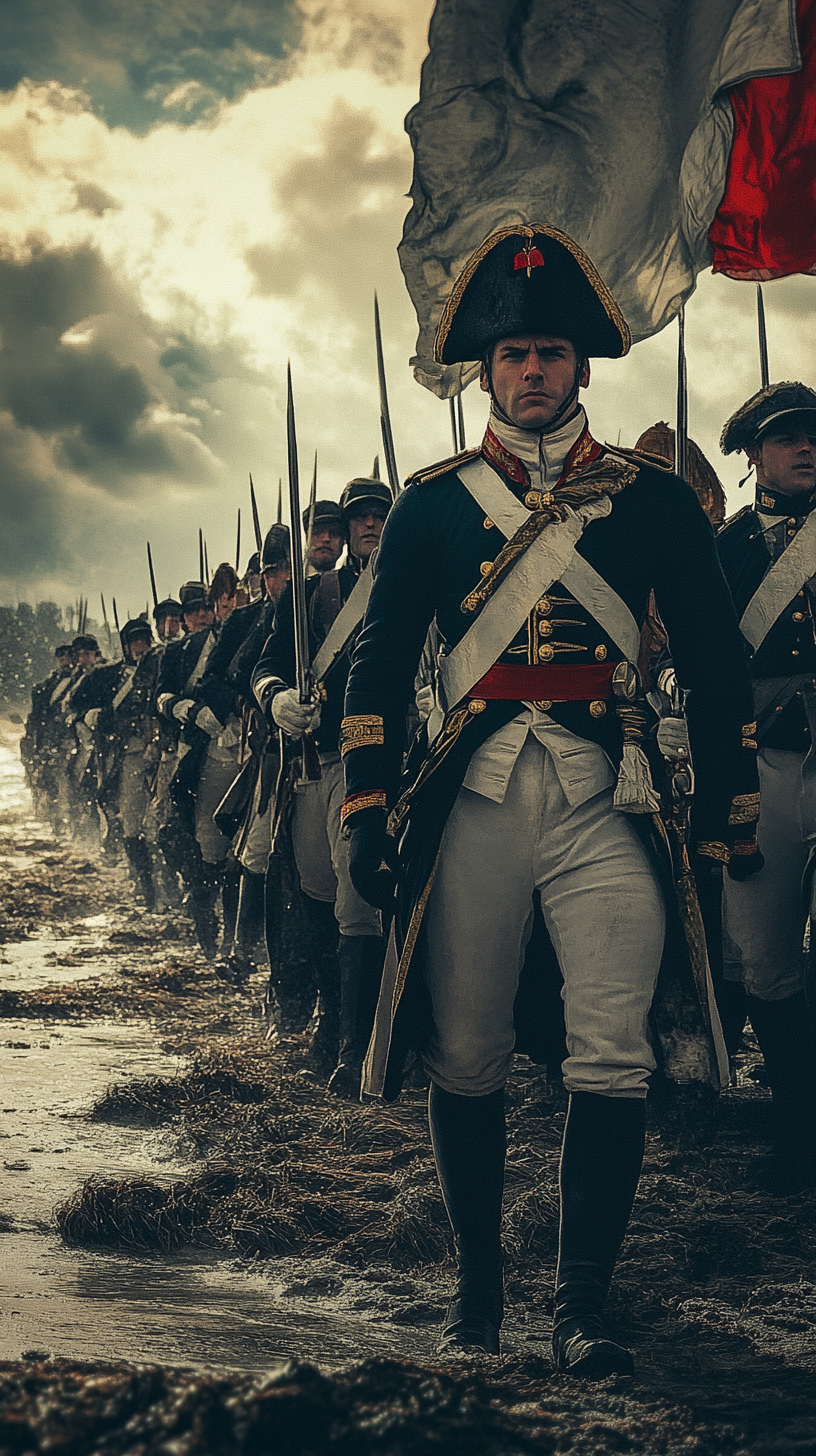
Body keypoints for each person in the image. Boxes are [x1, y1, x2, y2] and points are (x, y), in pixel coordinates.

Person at [340, 225, 762, 1373]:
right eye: (517, 354)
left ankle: (583, 1305)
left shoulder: (655, 501)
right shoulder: (433, 508)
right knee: (466, 1049)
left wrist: (728, 802)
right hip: (472, 791)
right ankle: (479, 1290)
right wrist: (368, 803)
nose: (537, 372)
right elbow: (379, 666)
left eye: (556, 355)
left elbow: (719, 663)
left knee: (609, 1047)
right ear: (486, 370)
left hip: (607, 790)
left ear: (582, 369)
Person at [252, 480, 391, 1095]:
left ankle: (358, 1048)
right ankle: (332, 1018)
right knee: (315, 887)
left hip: (387, 763)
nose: (367, 527)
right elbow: (265, 664)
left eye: (378, 517)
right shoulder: (308, 598)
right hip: (319, 758)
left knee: (360, 900)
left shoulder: (411, 581)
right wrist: (278, 697)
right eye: (357, 518)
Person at [712, 383, 816, 1192]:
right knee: (765, 956)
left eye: (813, 436)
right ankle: (795, 1129)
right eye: (786, 439)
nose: (806, 448)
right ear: (754, 456)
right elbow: (686, 643)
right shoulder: (725, 548)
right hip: (764, 762)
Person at [72, 616, 160, 905]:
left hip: (163, 751)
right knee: (132, 820)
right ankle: (145, 883)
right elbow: (79, 704)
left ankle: (167, 882)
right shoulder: (108, 675)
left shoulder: (163, 666)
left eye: (145, 640)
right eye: (135, 641)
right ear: (125, 645)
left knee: (163, 821)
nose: (141, 646)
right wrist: (93, 715)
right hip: (130, 753)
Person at [22, 644, 75, 825]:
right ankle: (55, 819)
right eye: (62, 659)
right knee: (48, 780)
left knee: (69, 781)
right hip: (49, 740)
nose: (65, 662)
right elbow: (37, 715)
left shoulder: (81, 682)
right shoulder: (48, 686)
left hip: (69, 739)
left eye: (68, 658)